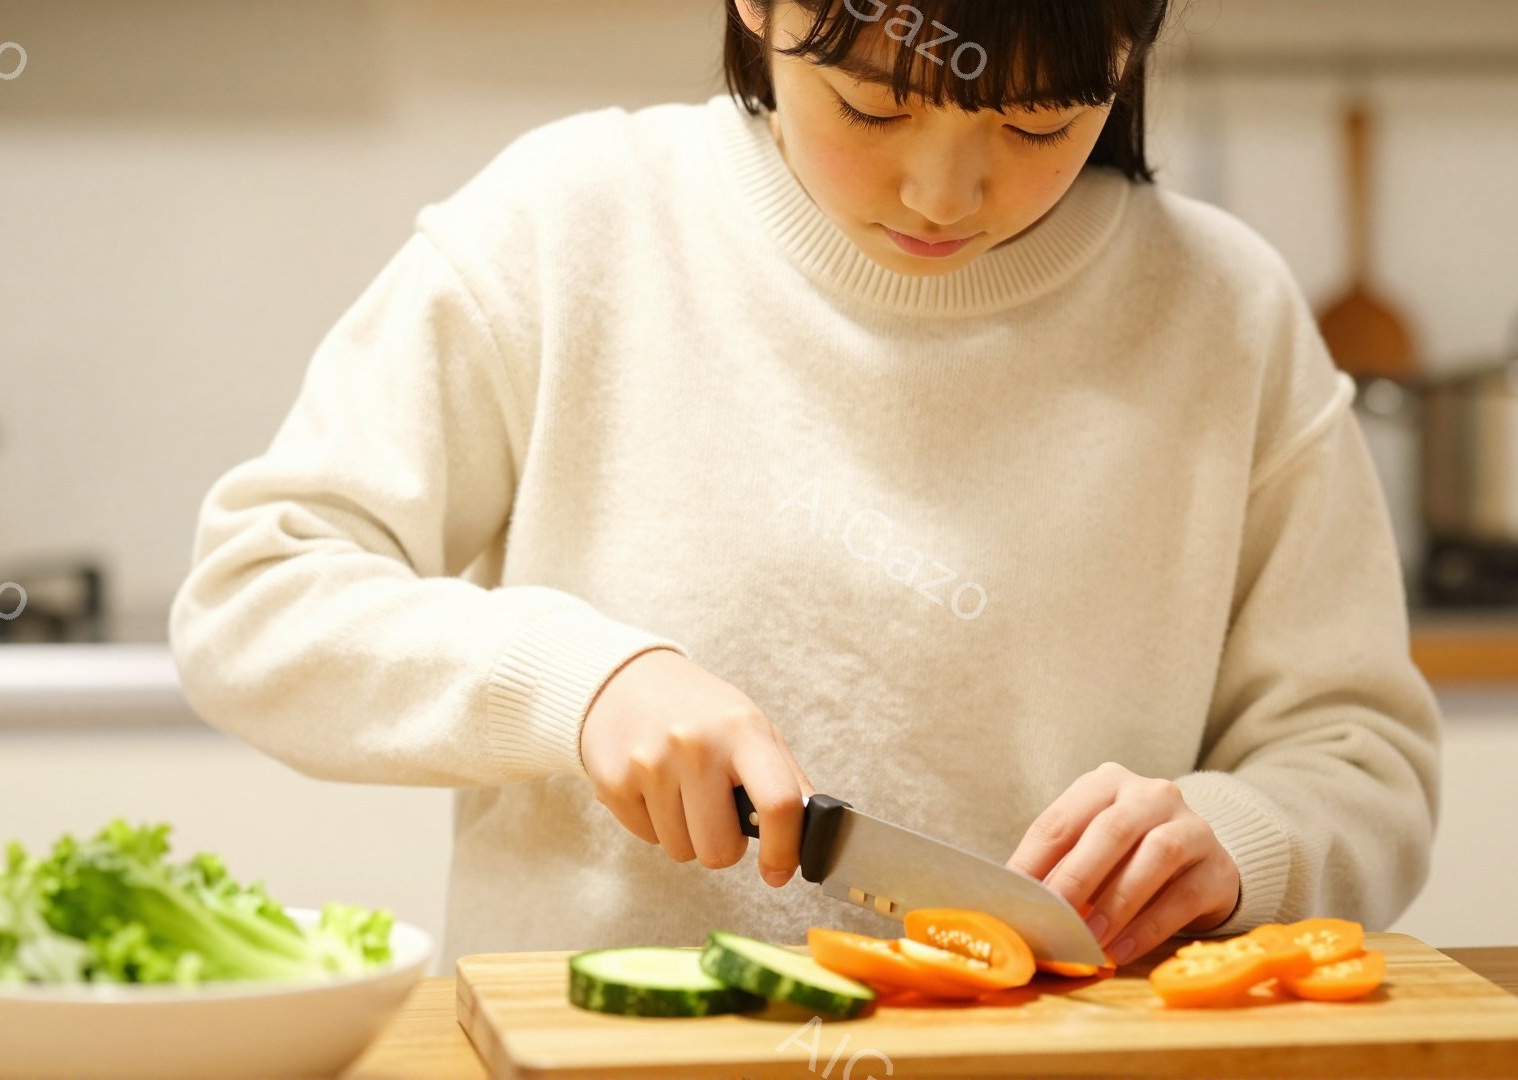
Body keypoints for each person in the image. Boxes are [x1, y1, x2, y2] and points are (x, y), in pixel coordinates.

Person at [170, 0, 1441, 976]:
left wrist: (1242, 842)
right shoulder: (567, 229)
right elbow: (255, 600)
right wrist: (574, 684)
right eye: (874, 106)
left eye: (1044, 120)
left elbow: (1363, 758)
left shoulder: (1226, 312)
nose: (943, 192)